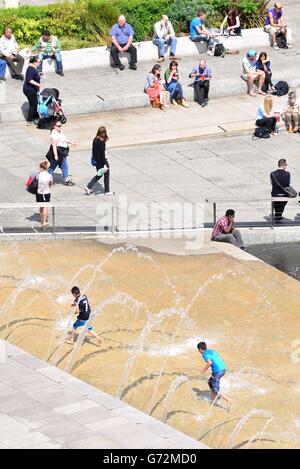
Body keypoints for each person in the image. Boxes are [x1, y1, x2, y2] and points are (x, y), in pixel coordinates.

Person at [197, 342, 231, 408]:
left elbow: (209, 362)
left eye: (198, 350)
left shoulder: (204, 355)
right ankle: (212, 400)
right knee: (210, 382)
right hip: (223, 368)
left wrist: (203, 371)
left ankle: (228, 400)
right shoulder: (211, 351)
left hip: (218, 372)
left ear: (200, 349)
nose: (198, 351)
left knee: (215, 389)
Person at [84, 126, 114, 195]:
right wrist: (105, 165)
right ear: (103, 133)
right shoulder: (101, 143)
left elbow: (93, 151)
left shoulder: (95, 140)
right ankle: (107, 191)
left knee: (99, 174)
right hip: (103, 161)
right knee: (106, 175)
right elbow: (102, 155)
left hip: (97, 161)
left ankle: (89, 187)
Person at [47, 120, 76, 186]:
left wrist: (71, 142)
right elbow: (54, 145)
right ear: (54, 126)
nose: (60, 127)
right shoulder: (54, 134)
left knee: (57, 166)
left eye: (61, 125)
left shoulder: (59, 132)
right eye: (59, 126)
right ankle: (66, 180)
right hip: (58, 152)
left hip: (61, 152)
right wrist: (56, 155)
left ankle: (47, 177)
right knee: (62, 165)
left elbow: (63, 139)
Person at [23, 55, 41, 126]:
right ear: (34, 62)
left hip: (30, 89)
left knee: (34, 103)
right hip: (29, 90)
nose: (40, 63)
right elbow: (29, 79)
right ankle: (29, 120)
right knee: (33, 105)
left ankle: (35, 118)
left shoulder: (32, 67)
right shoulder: (32, 69)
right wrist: (38, 84)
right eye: (39, 62)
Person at [35, 161, 53, 227]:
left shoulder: (38, 175)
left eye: (39, 168)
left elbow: (36, 180)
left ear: (42, 168)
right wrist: (49, 186)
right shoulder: (49, 175)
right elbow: (51, 184)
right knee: (45, 207)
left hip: (39, 193)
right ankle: (44, 221)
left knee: (41, 206)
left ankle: (42, 220)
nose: (39, 169)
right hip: (46, 193)